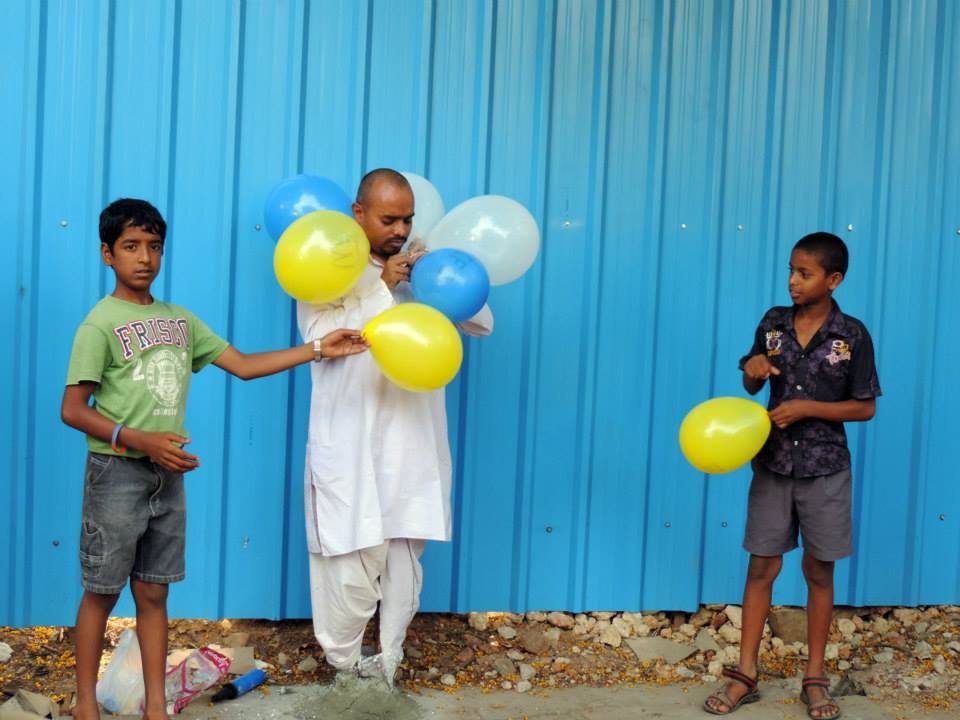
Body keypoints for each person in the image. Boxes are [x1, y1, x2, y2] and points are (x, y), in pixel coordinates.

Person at [62, 198, 367, 720]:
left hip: (168, 474)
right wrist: (140, 439)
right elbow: (73, 409)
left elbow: (244, 365)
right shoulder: (100, 324)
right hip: (116, 475)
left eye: (154, 247)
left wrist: (319, 348)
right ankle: (86, 705)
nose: (145, 258)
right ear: (106, 254)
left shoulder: (179, 321)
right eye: (131, 247)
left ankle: (156, 708)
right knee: (102, 593)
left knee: (154, 595)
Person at [297, 169, 493, 685]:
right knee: (347, 561)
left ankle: (387, 667)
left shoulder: (421, 265)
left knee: (406, 558)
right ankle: (344, 668)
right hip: (351, 439)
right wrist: (382, 286)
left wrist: (435, 275)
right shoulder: (331, 266)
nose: (400, 229)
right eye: (389, 219)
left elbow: (481, 320)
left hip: (412, 439)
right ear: (359, 214)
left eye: (407, 218)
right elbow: (317, 336)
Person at [703, 232, 880, 718]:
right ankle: (745, 673)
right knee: (762, 567)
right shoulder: (774, 322)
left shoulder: (853, 335)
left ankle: (815, 677)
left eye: (804, 273)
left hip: (826, 470)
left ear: (834, 279)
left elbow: (865, 407)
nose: (793, 281)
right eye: (790, 270)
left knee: (819, 572)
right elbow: (751, 379)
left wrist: (809, 408)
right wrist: (755, 368)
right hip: (774, 464)